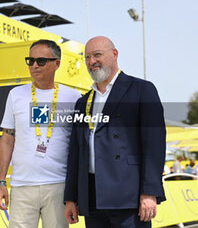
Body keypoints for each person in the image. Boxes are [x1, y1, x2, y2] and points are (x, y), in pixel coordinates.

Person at [64, 36, 166, 228]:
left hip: (129, 196)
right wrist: (71, 197)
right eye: (87, 57)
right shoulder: (82, 102)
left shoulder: (142, 90)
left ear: (114, 54)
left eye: (97, 55)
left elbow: (154, 145)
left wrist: (149, 192)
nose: (91, 61)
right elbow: (76, 152)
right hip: (92, 197)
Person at [0, 39, 81, 228]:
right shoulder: (15, 95)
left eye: (41, 61)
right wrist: (0, 181)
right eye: (30, 60)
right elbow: (7, 140)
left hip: (58, 186)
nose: (34, 65)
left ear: (57, 64)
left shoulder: (73, 98)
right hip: (22, 186)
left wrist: (75, 192)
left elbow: (79, 145)